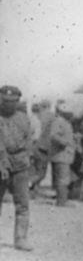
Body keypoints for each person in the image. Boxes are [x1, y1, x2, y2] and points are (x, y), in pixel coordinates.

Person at [0, 85, 34, 250]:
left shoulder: (23, 118)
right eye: (5, 101)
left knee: (22, 204)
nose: (9, 104)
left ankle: (21, 239)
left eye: (13, 101)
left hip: (20, 164)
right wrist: (3, 164)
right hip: (1, 163)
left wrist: (27, 159)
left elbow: (28, 140)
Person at [48, 101, 77, 206]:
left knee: (64, 178)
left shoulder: (64, 122)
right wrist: (64, 142)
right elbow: (54, 136)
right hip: (61, 154)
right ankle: (62, 201)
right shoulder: (59, 121)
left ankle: (62, 199)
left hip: (64, 154)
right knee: (63, 179)